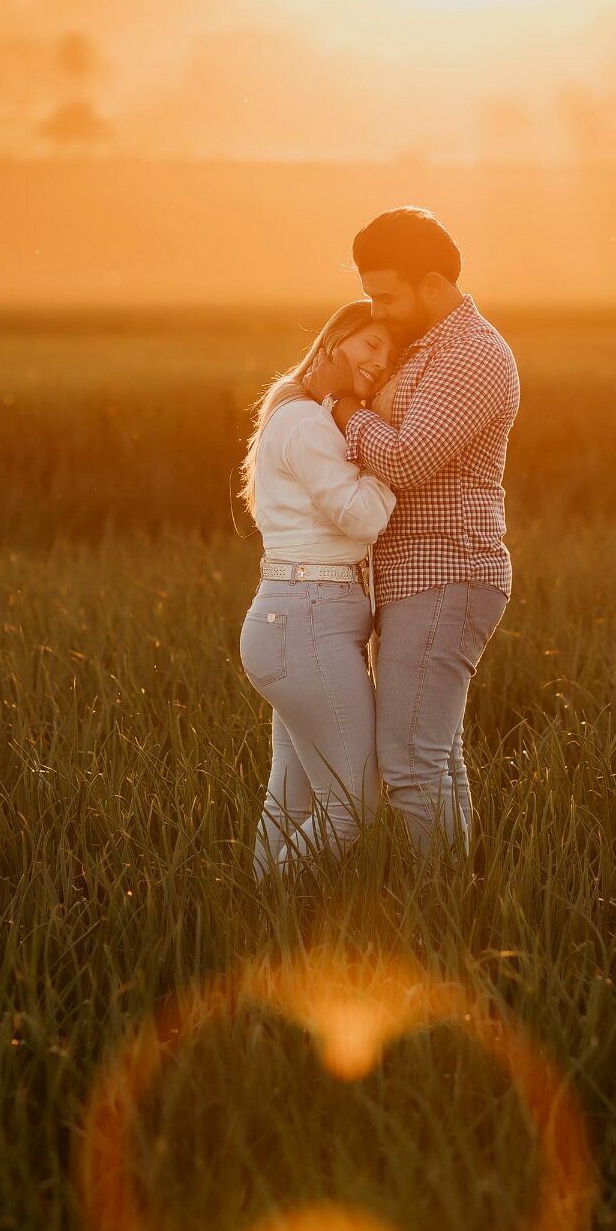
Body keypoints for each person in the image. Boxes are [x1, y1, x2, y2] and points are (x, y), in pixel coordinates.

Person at [330, 208, 520, 858]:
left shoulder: (471, 355)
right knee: (434, 762)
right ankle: (455, 909)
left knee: (410, 765)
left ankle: (431, 920)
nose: (375, 312)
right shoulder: (429, 347)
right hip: (420, 579)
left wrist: (345, 410)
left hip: (447, 576)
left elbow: (409, 458)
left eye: (385, 296)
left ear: (433, 283)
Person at [236, 300, 403, 875]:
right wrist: (386, 456)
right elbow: (361, 517)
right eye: (370, 345)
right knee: (354, 805)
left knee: (291, 800)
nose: (380, 363)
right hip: (307, 624)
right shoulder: (307, 422)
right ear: (336, 339)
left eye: (390, 355)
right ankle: (278, 902)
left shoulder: (295, 411)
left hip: (289, 622)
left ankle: (260, 919)